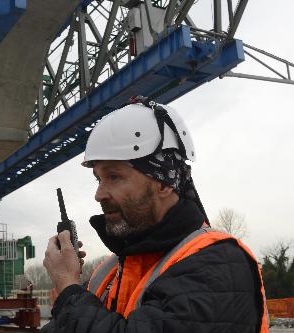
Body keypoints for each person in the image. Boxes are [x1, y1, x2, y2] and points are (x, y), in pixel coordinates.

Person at [41, 98, 268, 332]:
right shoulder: (109, 271)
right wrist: (70, 292)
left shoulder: (219, 264)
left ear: (163, 183)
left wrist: (68, 287)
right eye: (99, 179)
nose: (99, 195)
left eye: (114, 177)